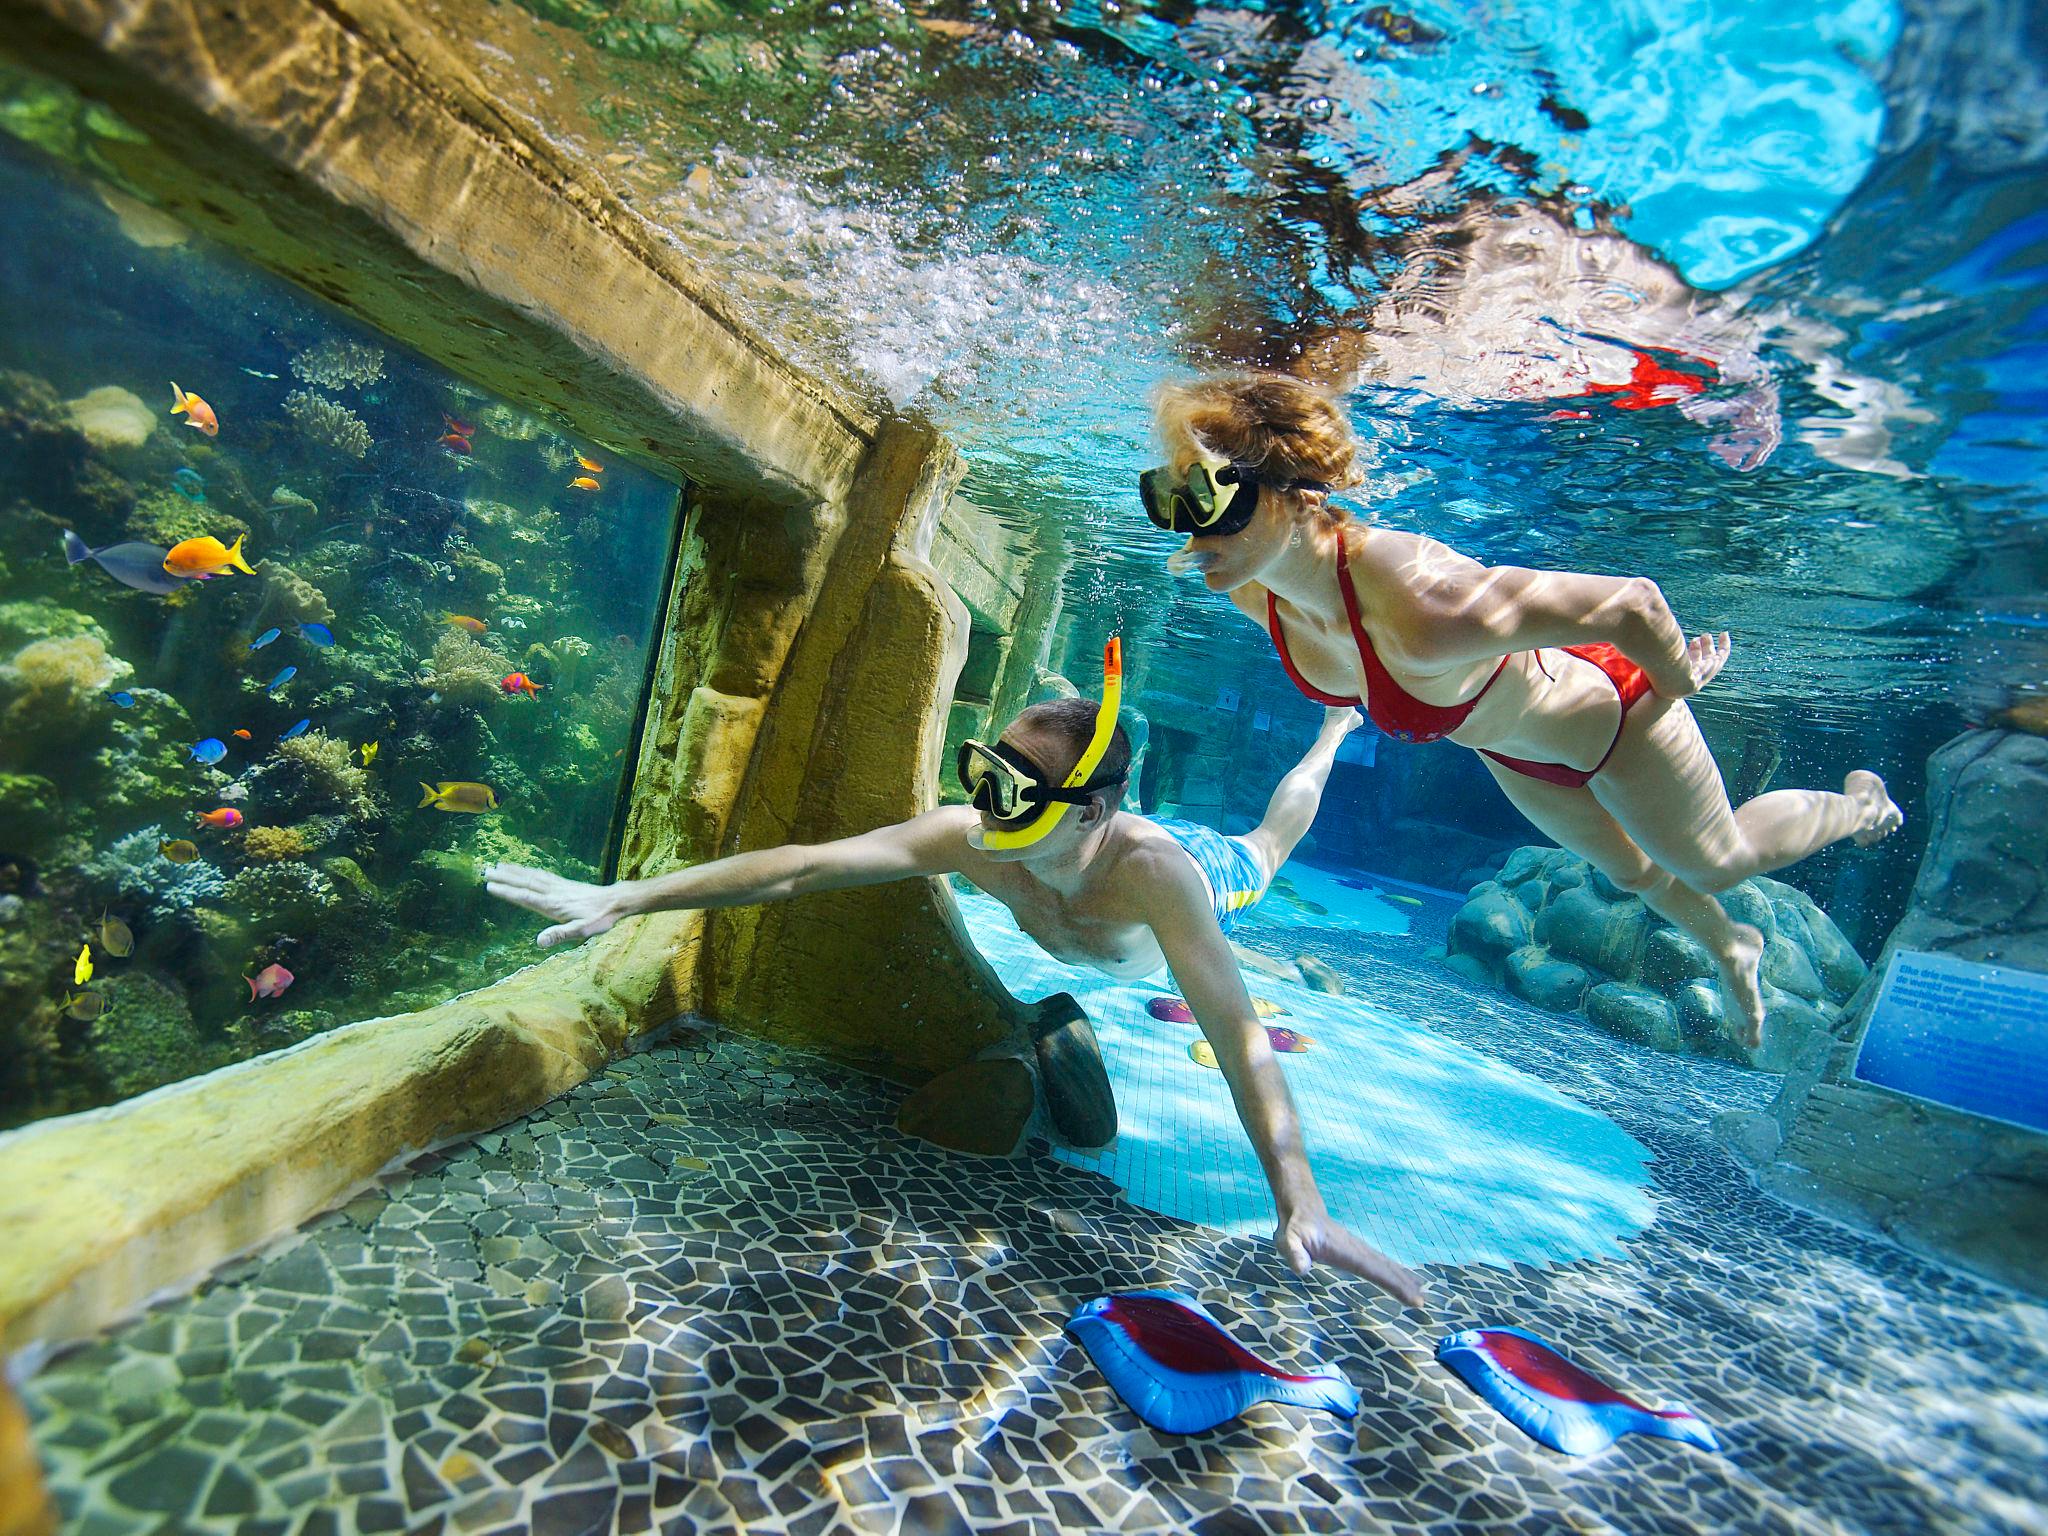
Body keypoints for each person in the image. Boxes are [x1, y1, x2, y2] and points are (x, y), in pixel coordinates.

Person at [485, 640, 1426, 1310]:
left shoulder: (1156, 879)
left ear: (1092, 810)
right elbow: (807, 864)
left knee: (1266, 844)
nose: (984, 806)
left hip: (1214, 873)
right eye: (985, 771)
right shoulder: (974, 840)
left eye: (1015, 789)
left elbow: (1238, 1038)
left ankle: (1333, 734)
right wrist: (627, 896)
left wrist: (1298, 1194)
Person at [1139, 372, 1904, 1049]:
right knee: (1637, 874)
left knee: (1718, 859)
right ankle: (1732, 944)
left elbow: (1632, 604)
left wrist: (1677, 680)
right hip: (1510, 751)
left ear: (1301, 493)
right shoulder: (1253, 590)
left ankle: (1858, 806)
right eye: (1170, 497)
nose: (1189, 529)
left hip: (1619, 722)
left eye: (1210, 496)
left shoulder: (1423, 603)